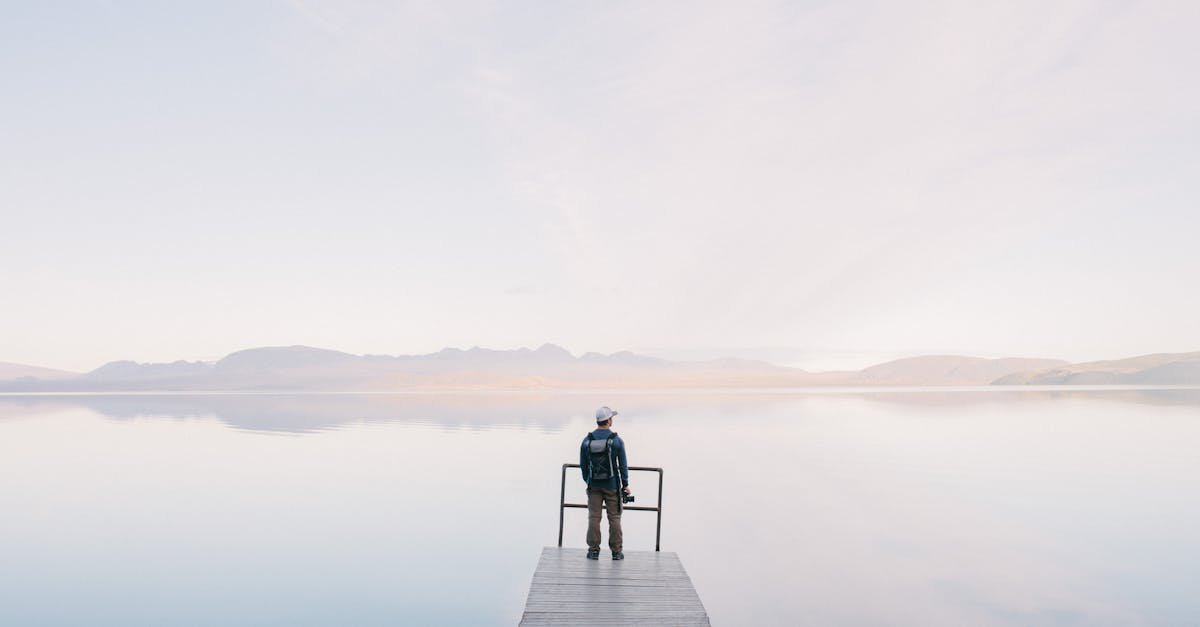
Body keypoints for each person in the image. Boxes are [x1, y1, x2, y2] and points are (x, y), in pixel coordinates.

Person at [580, 405, 630, 560]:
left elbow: (583, 465)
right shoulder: (616, 441)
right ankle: (616, 552)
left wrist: (589, 480)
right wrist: (625, 485)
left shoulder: (587, 440)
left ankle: (593, 551)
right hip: (612, 486)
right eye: (611, 418)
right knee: (614, 517)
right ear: (608, 420)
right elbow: (622, 466)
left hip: (593, 486)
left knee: (594, 517)